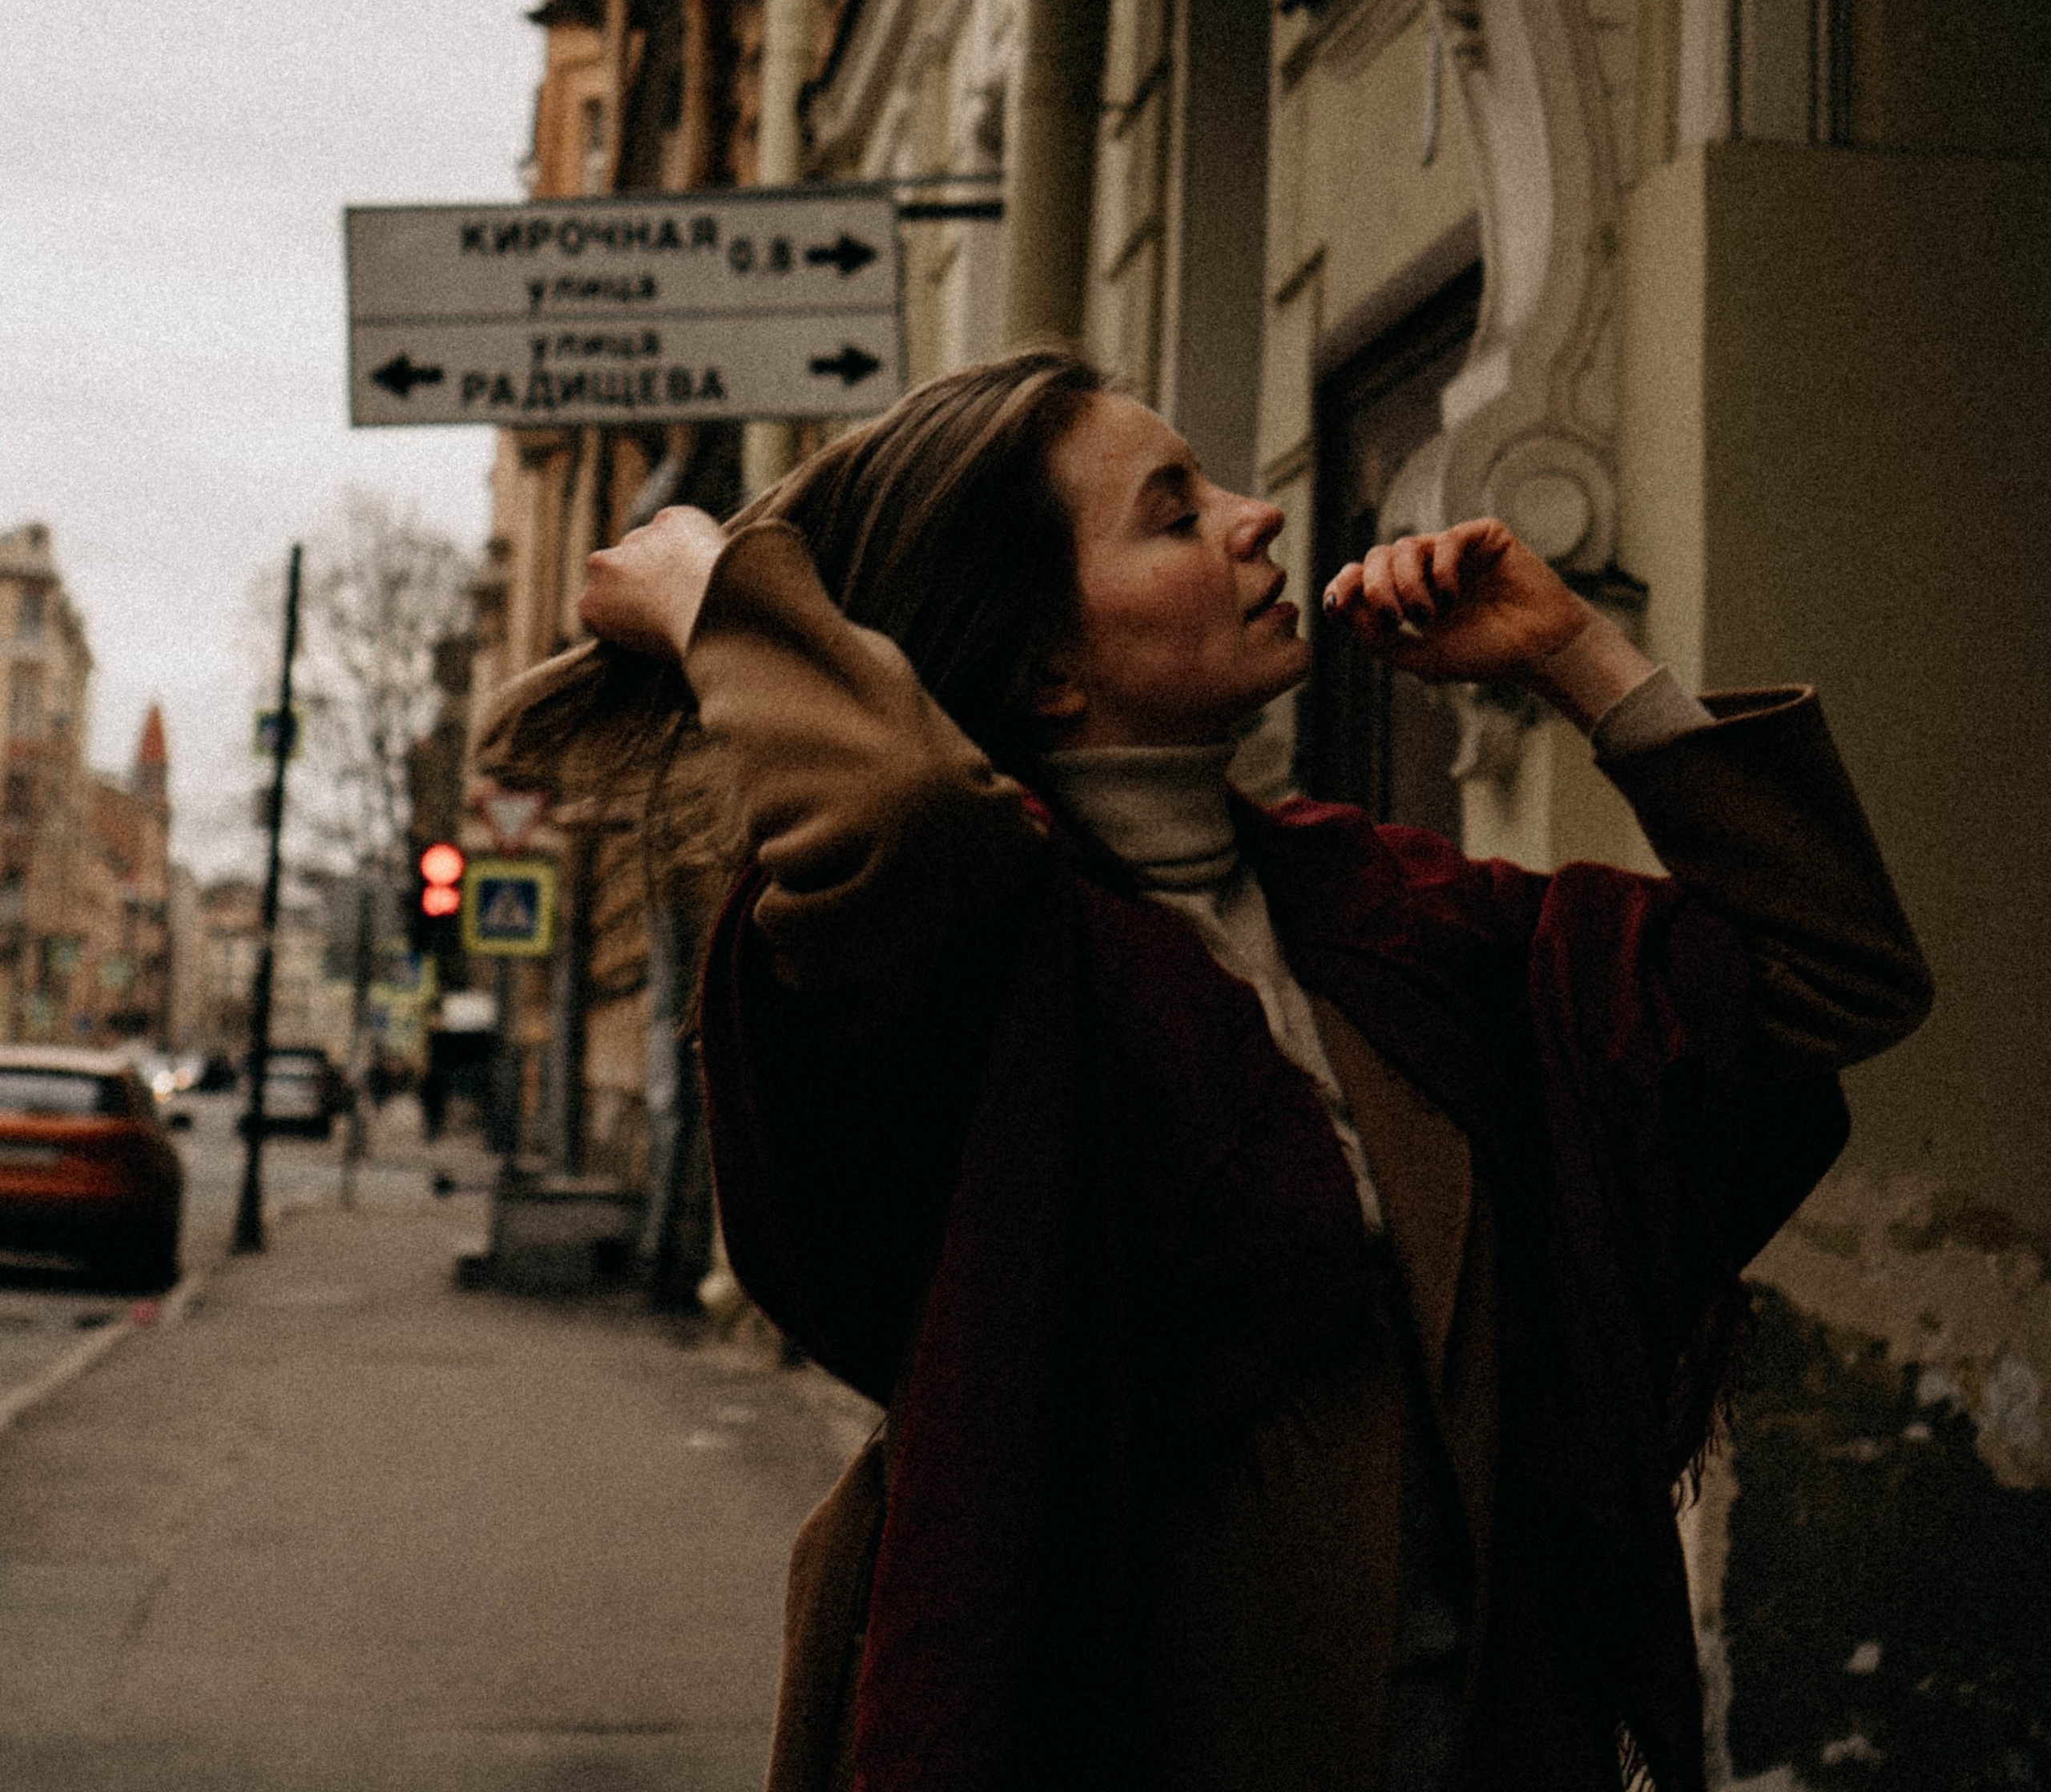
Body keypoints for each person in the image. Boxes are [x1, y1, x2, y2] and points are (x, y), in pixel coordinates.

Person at [482, 345, 1930, 1792]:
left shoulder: (1384, 920)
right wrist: (710, 598)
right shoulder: (945, 960)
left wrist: (1576, 655)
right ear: (1045, 667)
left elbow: (1831, 973)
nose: (1258, 518)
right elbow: (905, 806)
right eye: (1174, 515)